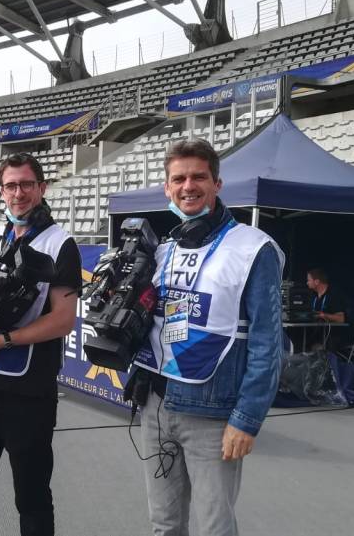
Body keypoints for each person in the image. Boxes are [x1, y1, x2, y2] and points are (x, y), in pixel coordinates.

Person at [128, 139, 284, 536]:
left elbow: (268, 344)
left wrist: (247, 420)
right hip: (156, 405)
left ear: (217, 183)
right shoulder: (163, 249)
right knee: (164, 525)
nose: (188, 186)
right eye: (178, 178)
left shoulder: (253, 247)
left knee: (215, 528)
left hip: (212, 414)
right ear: (167, 188)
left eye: (198, 176)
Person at [0, 153, 81, 536]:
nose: (18, 193)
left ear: (42, 188)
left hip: (29, 393)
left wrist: (0, 340)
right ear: (1, 191)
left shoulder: (60, 243)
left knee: (32, 499)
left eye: (26, 184)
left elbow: (63, 320)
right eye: (11, 185)